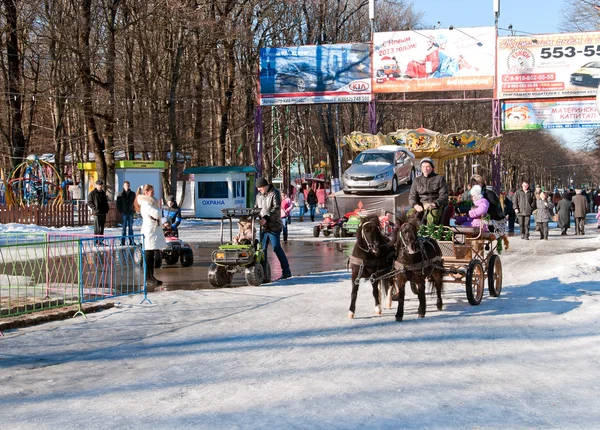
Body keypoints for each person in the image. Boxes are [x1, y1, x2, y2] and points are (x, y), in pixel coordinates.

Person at [255, 177, 292, 281]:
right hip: (263, 227)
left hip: (274, 225)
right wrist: (251, 215)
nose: (259, 190)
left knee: (276, 247)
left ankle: (286, 271)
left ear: (265, 186)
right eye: (257, 188)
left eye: (260, 187)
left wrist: (266, 218)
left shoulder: (274, 193)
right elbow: (256, 208)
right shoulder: (259, 196)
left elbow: (276, 208)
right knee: (262, 250)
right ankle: (264, 274)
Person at [136, 184, 166, 286]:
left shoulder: (151, 202)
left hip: (153, 231)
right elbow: (156, 214)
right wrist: (161, 210)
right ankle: (147, 277)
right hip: (149, 231)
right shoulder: (145, 203)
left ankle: (151, 276)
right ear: (146, 192)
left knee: (151, 255)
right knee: (148, 255)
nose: (153, 193)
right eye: (151, 191)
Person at [408, 157, 448, 225]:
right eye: (423, 167)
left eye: (428, 166)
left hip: (435, 206)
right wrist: (416, 205)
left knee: (431, 217)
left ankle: (430, 234)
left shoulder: (440, 179)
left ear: (432, 168)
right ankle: (414, 234)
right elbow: (412, 196)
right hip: (421, 206)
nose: (425, 169)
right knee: (410, 214)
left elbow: (444, 196)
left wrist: (434, 204)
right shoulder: (416, 180)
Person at [87, 179, 109, 243]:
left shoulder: (103, 193)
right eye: (99, 185)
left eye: (101, 185)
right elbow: (89, 202)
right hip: (97, 213)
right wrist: (95, 208)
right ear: (96, 185)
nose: (100, 186)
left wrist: (106, 208)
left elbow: (105, 202)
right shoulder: (92, 193)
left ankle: (101, 240)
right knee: (97, 228)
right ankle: (96, 241)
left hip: (103, 212)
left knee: (102, 227)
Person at [116, 181, 136, 245]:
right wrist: (120, 211)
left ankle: (131, 241)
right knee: (124, 228)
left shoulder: (132, 194)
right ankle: (123, 242)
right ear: (123, 186)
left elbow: (135, 202)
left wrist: (133, 210)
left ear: (129, 186)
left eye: (127, 186)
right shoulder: (120, 194)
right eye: (125, 186)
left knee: (130, 228)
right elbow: (118, 204)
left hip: (130, 212)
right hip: (124, 212)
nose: (126, 187)